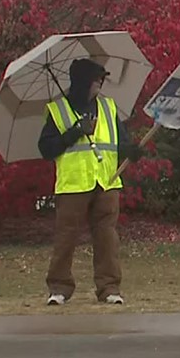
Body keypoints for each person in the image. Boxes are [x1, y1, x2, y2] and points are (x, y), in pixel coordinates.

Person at [38, 59, 141, 306]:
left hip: (106, 181)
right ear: (82, 81)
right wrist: (74, 132)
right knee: (66, 238)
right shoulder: (58, 110)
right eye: (97, 79)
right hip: (73, 185)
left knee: (107, 238)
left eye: (102, 79)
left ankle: (109, 288)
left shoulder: (108, 108)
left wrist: (131, 151)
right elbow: (46, 149)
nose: (101, 83)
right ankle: (59, 287)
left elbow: (120, 143)